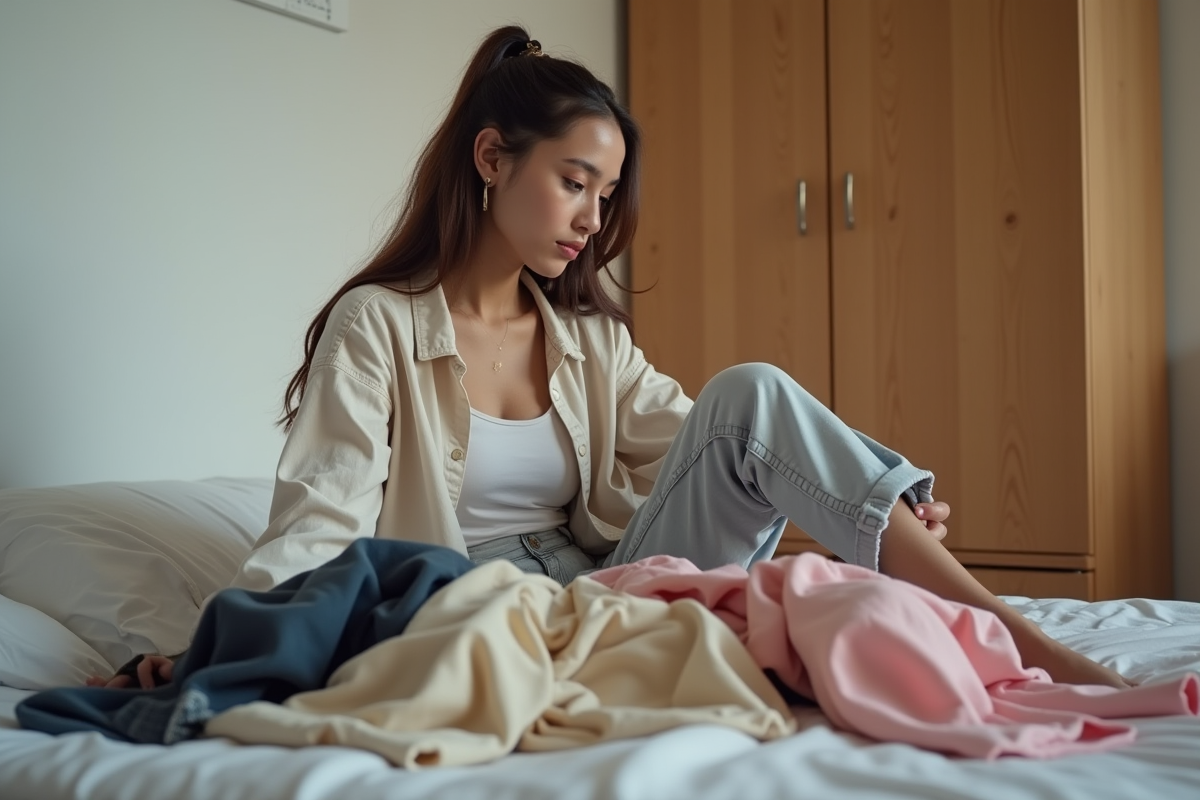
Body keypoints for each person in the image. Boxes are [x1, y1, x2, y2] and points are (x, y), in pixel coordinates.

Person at [91, 25, 1127, 692]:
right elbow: (320, 520)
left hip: (612, 583)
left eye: (607, 193)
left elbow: (730, 441)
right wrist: (214, 652)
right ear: (492, 158)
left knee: (750, 391)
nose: (593, 218)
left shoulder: (587, 338)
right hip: (479, 608)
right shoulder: (379, 326)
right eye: (574, 181)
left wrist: (876, 497)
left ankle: (1015, 636)